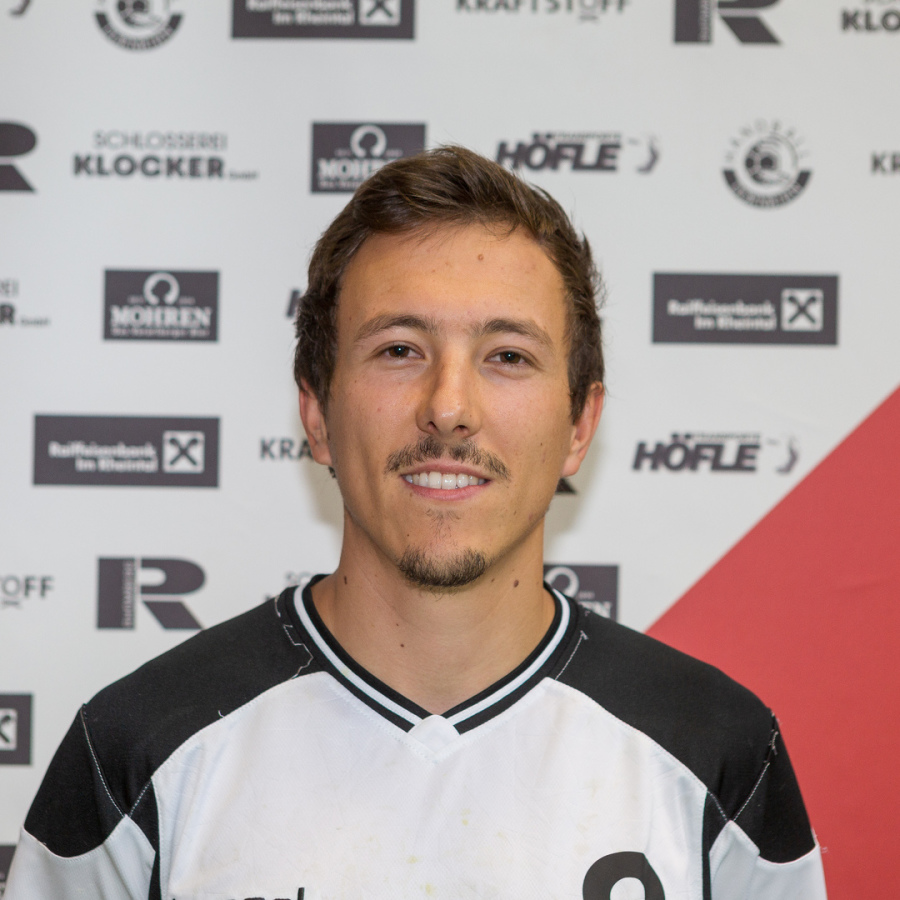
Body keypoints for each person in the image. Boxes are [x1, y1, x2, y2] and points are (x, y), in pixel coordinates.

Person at [5, 146, 827, 900]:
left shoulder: (717, 751)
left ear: (580, 424)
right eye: (399, 349)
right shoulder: (137, 751)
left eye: (508, 356)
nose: (449, 406)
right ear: (316, 413)